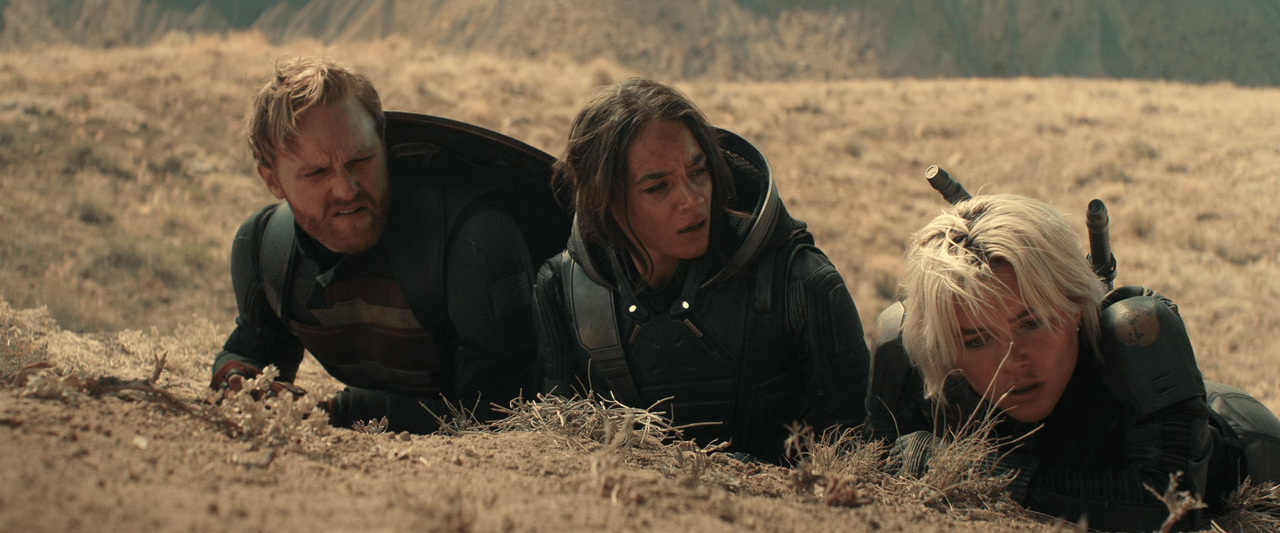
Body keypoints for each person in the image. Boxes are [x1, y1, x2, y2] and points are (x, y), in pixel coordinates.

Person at [866, 193, 1280, 531]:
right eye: (976, 340)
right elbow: (876, 464)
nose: (1013, 360)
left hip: (1249, 446)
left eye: (1034, 323)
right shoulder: (911, 349)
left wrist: (976, 472)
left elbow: (1169, 509)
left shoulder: (1138, 332)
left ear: (1078, 306)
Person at [210, 57, 564, 433]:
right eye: (316, 172)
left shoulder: (470, 238)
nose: (347, 189)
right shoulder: (265, 248)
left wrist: (337, 411)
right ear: (272, 180)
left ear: (382, 139)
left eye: (361, 159)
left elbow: (500, 411)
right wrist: (237, 379)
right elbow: (250, 351)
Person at [533, 78, 871, 462]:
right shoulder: (562, 290)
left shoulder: (800, 282)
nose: (693, 201)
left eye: (697, 172)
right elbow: (556, 448)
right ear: (606, 200)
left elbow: (860, 445)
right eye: (658, 187)